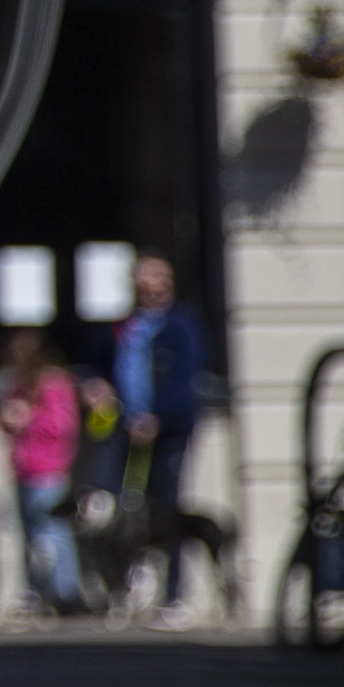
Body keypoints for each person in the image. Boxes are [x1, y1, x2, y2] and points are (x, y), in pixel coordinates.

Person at [111, 254, 213, 616]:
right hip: (129, 430)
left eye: (160, 284)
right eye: (146, 285)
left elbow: (185, 378)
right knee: (132, 510)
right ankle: (135, 588)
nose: (153, 292)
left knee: (169, 511)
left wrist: (156, 417)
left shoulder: (182, 324)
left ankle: (175, 593)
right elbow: (104, 361)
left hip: (168, 430)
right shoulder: (127, 325)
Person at [0, 328, 85, 613]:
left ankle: (65, 593)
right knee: (31, 536)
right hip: (24, 470)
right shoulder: (19, 385)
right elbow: (7, 420)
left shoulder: (54, 384)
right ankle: (37, 591)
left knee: (53, 532)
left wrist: (29, 418)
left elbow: (62, 427)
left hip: (49, 472)